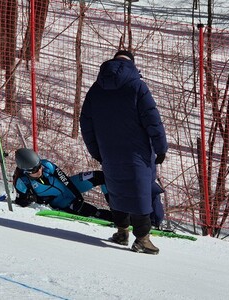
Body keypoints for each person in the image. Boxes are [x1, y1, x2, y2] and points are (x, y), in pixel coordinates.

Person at [80, 50, 168, 255]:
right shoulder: (137, 86)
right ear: (132, 64)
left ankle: (121, 232)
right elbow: (152, 120)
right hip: (138, 151)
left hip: (109, 151)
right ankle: (142, 239)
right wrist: (161, 148)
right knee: (141, 192)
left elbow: (86, 124)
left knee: (117, 189)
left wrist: (96, 151)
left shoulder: (96, 89)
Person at [13, 148, 112, 221]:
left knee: (101, 177)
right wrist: (30, 200)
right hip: (61, 201)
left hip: (69, 186)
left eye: (39, 166)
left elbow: (65, 180)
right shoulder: (22, 182)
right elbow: (20, 201)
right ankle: (116, 219)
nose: (39, 170)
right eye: (35, 170)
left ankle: (117, 208)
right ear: (26, 172)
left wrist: (78, 196)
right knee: (90, 211)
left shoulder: (47, 165)